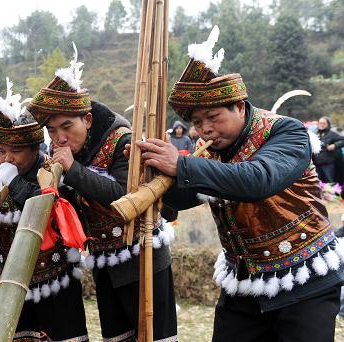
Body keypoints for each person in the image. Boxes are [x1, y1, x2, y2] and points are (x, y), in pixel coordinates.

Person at [135, 26, 344, 342]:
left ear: (240, 107)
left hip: (306, 279)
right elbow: (190, 195)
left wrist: (180, 164)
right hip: (244, 282)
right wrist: (152, 177)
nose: (205, 130)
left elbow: (258, 180)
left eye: (213, 117)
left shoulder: (287, 133)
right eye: (197, 123)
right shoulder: (214, 149)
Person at [28, 46, 178, 341]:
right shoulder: (65, 151)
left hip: (142, 255)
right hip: (104, 262)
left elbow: (124, 195)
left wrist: (73, 171)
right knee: (117, 338)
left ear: (88, 119)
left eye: (67, 126)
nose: (59, 137)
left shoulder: (124, 141)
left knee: (154, 337)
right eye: (52, 130)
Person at [0, 82, 89, 340]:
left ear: (35, 148)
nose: (7, 159)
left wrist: (13, 182)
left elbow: (44, 207)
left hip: (56, 282)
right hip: (13, 287)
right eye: (2, 151)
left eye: (15, 151)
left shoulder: (53, 171)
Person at [313, 116, 344, 183]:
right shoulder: (315, 133)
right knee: (318, 183)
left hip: (328, 164)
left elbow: (342, 140)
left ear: (328, 124)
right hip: (316, 163)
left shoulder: (332, 133)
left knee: (330, 183)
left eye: (323, 123)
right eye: (320, 123)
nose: (321, 125)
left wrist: (334, 145)